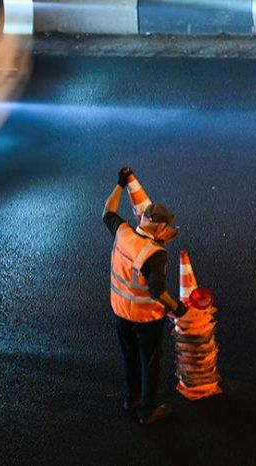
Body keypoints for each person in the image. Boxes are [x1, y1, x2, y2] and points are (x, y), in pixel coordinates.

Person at [103, 167, 186, 424]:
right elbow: (157, 291)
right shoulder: (155, 254)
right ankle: (148, 411)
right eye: (168, 228)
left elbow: (107, 211)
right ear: (159, 228)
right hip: (145, 318)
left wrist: (120, 185)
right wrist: (177, 308)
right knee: (150, 362)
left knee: (129, 358)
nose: (170, 232)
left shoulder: (124, 232)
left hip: (120, 312)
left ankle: (132, 398)